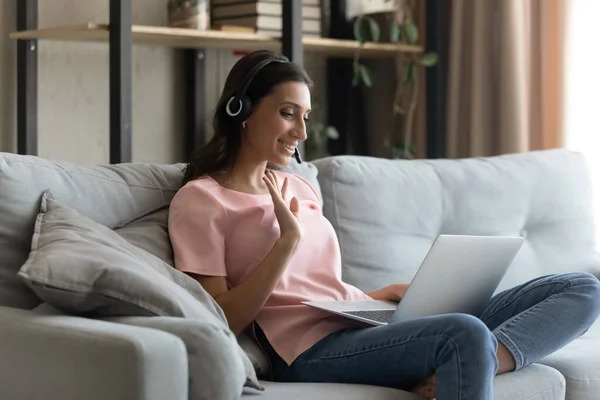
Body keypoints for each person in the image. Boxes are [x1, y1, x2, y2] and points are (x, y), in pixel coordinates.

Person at [167, 49, 600, 400]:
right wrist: (286, 243)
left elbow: (318, 290)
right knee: (462, 332)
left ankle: (477, 360)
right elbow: (222, 317)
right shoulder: (202, 199)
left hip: (358, 323)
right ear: (241, 109)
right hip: (306, 350)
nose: (301, 131)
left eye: (306, 116)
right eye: (287, 113)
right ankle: (468, 355)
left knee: (581, 288)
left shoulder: (298, 186)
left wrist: (382, 296)